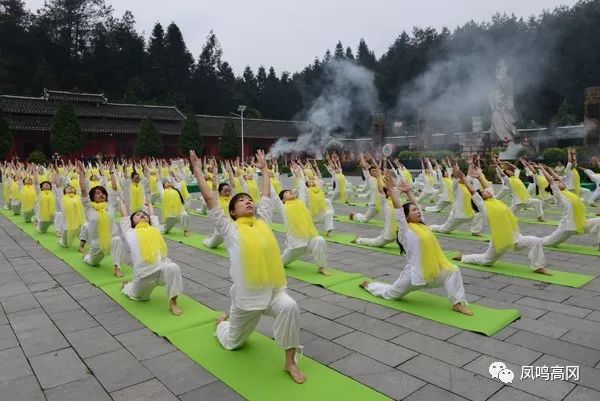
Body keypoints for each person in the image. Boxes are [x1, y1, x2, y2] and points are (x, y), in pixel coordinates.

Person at [191, 149, 306, 384]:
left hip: (272, 292)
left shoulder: (263, 221)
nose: (248, 202)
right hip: (246, 301)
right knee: (233, 343)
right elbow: (211, 199)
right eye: (242, 201)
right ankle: (223, 324)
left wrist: (264, 168)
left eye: (249, 200)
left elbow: (265, 194)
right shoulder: (229, 229)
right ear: (232, 211)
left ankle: (290, 362)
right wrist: (197, 171)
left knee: (289, 306)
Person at [360, 171, 473, 316]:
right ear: (406, 217)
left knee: (453, 270)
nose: (418, 211)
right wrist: (393, 192)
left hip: (432, 272)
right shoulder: (405, 231)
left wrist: (408, 192)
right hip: (414, 276)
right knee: (390, 294)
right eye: (414, 211)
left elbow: (415, 204)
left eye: (417, 210)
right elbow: (399, 210)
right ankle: (370, 285)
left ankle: (457, 303)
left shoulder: (423, 225)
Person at [452, 169, 551, 275]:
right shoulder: (483, 206)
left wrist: (479, 177)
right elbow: (473, 192)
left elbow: (487, 187)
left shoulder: (494, 200)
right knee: (486, 261)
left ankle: (538, 267)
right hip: (500, 240)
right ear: (481, 198)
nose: (487, 191)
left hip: (515, 237)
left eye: (487, 191)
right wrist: (463, 179)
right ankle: (463, 257)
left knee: (536, 241)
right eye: (484, 192)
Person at [118, 196, 183, 315]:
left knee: (173, 267)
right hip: (144, 276)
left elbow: (153, 216)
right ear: (132, 222)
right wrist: (122, 202)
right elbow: (124, 216)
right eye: (137, 215)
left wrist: (149, 204)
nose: (142, 215)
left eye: (144, 214)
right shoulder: (130, 232)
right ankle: (127, 286)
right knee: (137, 297)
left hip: (161, 271)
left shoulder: (155, 229)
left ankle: (173, 302)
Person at [273, 162, 330, 275]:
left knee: (320, 240)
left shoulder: (301, 203)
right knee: (279, 264)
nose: (291, 192)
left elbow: (302, 190)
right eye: (287, 193)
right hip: (295, 247)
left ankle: (322, 267)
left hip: (309, 241)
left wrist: (299, 175)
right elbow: (273, 196)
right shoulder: (283, 208)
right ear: (283, 200)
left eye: (290, 191)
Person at [77, 162, 125, 278]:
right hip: (96, 243)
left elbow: (114, 187)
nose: (102, 195)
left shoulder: (110, 205)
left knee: (117, 239)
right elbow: (83, 190)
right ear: (92, 197)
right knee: (92, 262)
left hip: (110, 239)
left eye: (103, 193)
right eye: (98, 193)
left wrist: (111, 172)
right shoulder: (89, 207)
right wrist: (82, 174)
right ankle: (87, 256)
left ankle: (117, 267)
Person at [538, 164, 600, 249]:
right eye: (558, 183)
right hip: (567, 228)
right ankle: (531, 241)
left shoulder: (566, 192)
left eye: (560, 182)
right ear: (555, 188)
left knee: (599, 221)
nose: (561, 182)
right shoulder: (559, 196)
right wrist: (542, 169)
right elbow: (551, 180)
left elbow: (557, 178)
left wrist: (549, 169)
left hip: (581, 224)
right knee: (547, 242)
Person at [430, 161, 483, 236]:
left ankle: (475, 231)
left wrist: (470, 164)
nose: (463, 178)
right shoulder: (455, 186)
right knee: (444, 229)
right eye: (460, 177)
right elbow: (455, 177)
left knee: (480, 213)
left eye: (463, 177)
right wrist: (455, 167)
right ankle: (432, 227)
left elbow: (468, 175)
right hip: (458, 215)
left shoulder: (467, 184)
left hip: (469, 214)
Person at [350, 154, 381, 223]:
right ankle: (354, 214)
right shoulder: (370, 179)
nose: (374, 171)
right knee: (364, 219)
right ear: (370, 173)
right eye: (372, 171)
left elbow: (378, 167)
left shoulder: (379, 178)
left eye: (375, 170)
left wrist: (372, 158)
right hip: (373, 204)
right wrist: (361, 158)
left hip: (381, 203)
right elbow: (365, 167)